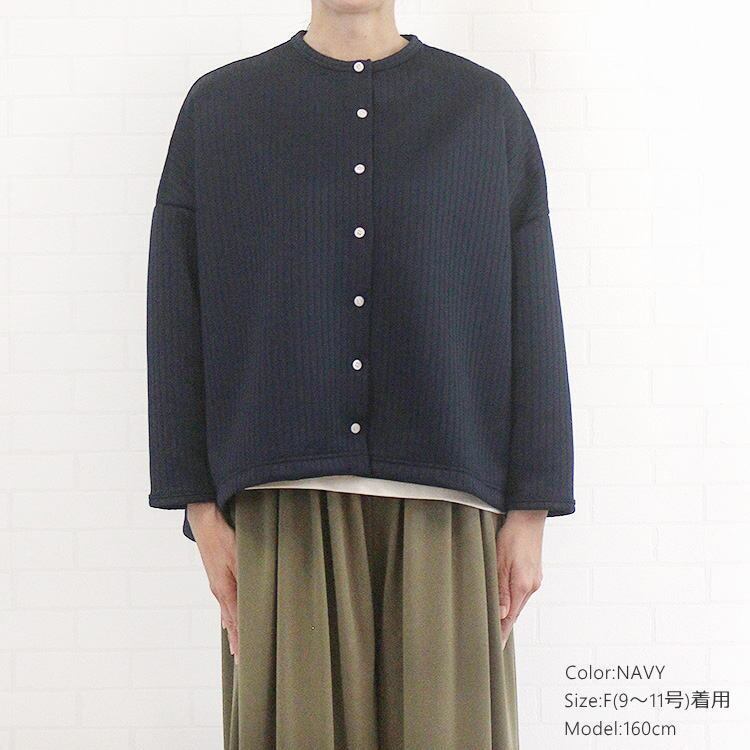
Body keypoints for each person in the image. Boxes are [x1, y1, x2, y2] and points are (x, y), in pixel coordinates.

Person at [146, 3, 574, 748]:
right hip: (281, 514)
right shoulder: (220, 110)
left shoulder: (483, 110)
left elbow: (533, 313)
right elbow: (175, 317)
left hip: (448, 511)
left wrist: (531, 510)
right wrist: (201, 512)